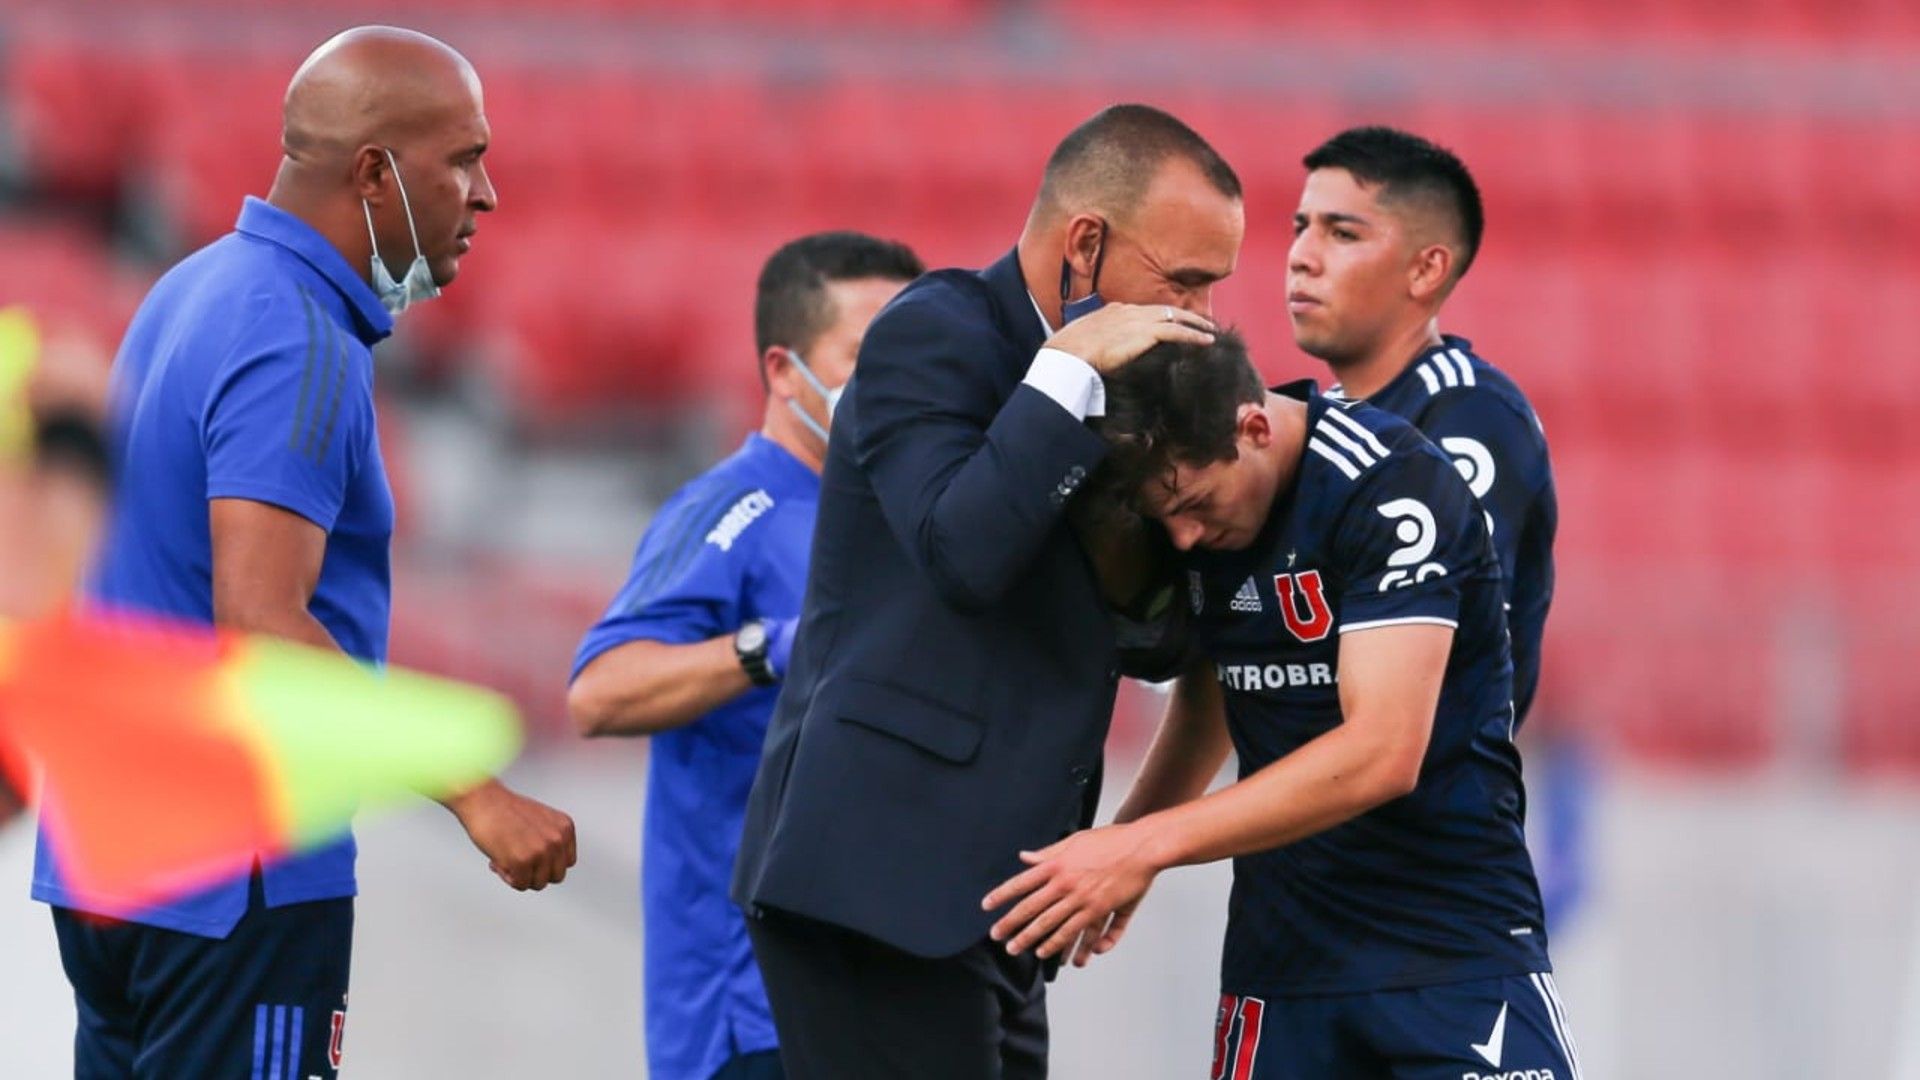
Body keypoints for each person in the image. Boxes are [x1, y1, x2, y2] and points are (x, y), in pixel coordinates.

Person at [30, 27, 575, 1079]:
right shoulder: (297, 332)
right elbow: (265, 622)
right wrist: (478, 794)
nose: (487, 194)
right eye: (463, 160)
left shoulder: (193, 287)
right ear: (375, 173)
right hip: (235, 873)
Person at [731, 104, 1242, 1078]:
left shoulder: (1139, 383)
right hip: (879, 878)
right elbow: (962, 553)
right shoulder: (932, 333)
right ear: (1084, 245)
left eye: (1215, 286)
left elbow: (1161, 644)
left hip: (998, 900)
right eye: (1184, 279)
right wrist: (1063, 377)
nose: (1202, 315)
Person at [984, 332, 1582, 1079]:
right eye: (1163, 517)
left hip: (1451, 949)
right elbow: (1216, 696)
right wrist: (1125, 847)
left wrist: (1142, 847)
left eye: (1193, 504)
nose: (1184, 536)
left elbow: (1382, 754)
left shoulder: (1391, 488)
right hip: (1283, 965)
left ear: (1255, 428)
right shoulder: (1203, 514)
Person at [568, 231, 923, 1080]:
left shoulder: (907, 517)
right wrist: (771, 648)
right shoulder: (736, 508)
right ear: (782, 370)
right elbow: (599, 692)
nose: (896, 383)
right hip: (753, 1013)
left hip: (889, 993)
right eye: (865, 355)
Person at [1288, 125, 1557, 727]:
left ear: (1426, 270)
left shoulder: (1470, 416)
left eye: (1342, 233)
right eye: (1300, 227)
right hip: (1314, 804)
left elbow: (1444, 664)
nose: (1302, 255)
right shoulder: (1318, 425)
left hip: (1410, 812)